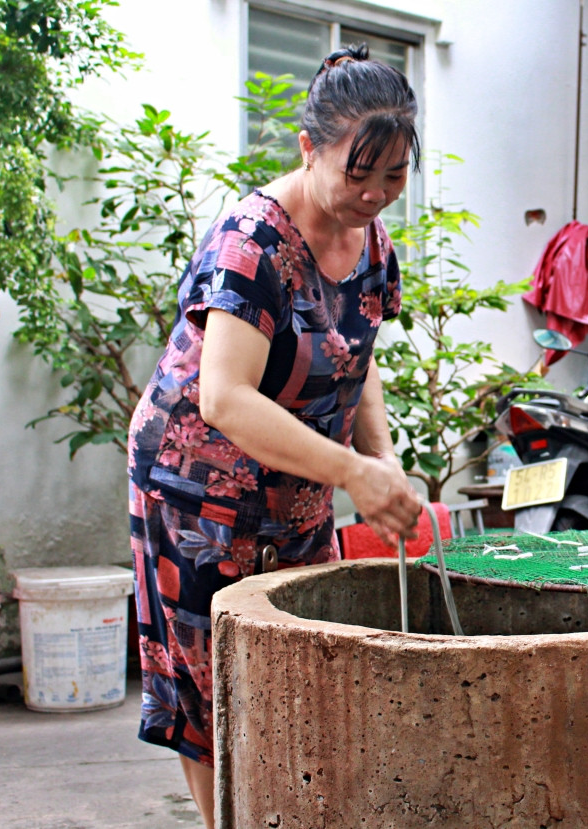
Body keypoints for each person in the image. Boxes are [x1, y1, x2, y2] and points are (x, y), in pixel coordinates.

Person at [126, 45, 423, 828]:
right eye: (357, 173)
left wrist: (382, 459)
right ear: (307, 147)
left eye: (393, 176)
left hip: (296, 488)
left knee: (305, 668)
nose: (373, 194)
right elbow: (224, 396)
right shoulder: (252, 242)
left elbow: (357, 362)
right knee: (216, 690)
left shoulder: (374, 246)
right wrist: (352, 471)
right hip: (198, 490)